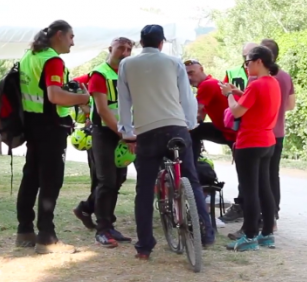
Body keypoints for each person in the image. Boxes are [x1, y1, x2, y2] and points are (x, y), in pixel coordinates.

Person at [118, 24, 216, 260]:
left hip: (147, 131)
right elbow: (187, 97)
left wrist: (128, 131)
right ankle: (206, 234)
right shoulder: (174, 62)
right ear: (162, 43)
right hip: (176, 127)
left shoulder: (126, 64)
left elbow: (124, 100)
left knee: (144, 188)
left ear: (141, 42)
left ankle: (144, 246)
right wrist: (191, 123)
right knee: (191, 180)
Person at [15, 20, 91, 255]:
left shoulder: (31, 55)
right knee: (50, 180)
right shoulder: (53, 60)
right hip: (51, 126)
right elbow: (55, 95)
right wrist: (82, 98)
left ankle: (25, 230)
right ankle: (47, 238)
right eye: (71, 37)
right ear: (59, 35)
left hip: (33, 123)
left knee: (31, 177)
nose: (73, 42)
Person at [219, 45, 281, 251]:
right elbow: (255, 101)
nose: (246, 66)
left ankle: (250, 235)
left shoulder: (255, 85)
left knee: (249, 190)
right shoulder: (272, 83)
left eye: (247, 62)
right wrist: (238, 92)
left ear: (259, 62)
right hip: (268, 141)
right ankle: (267, 234)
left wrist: (229, 94)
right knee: (265, 188)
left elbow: (236, 111)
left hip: (250, 142)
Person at [86, 37, 134, 248]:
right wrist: (123, 133)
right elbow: (103, 110)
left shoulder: (128, 74)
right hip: (105, 132)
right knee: (106, 180)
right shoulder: (100, 74)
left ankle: (103, 220)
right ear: (110, 49)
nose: (125, 53)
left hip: (123, 132)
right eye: (121, 48)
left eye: (129, 49)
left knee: (118, 178)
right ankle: (103, 229)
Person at [219, 41, 259, 223]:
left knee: (255, 176)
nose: (247, 60)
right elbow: (223, 92)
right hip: (236, 126)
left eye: (250, 56)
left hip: (253, 128)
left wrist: (234, 96)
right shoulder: (233, 72)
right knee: (245, 173)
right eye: (245, 56)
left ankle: (254, 217)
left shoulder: (264, 77)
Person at [261, 39, 296, 221]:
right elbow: (291, 104)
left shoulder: (258, 77)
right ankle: (274, 212)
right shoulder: (286, 76)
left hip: (261, 132)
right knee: (274, 173)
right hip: (279, 131)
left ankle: (262, 215)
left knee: (260, 175)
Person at [184, 59, 236, 163]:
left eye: (191, 73)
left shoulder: (207, 85)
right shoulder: (213, 82)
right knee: (196, 130)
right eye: (186, 75)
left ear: (201, 69)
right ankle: (193, 166)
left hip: (231, 132)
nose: (189, 78)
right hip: (230, 130)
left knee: (193, 132)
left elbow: (195, 111)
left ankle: (191, 167)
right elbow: (200, 116)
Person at [71, 72, 99, 230]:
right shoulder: (96, 75)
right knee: (102, 179)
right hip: (96, 131)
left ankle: (94, 210)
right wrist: (87, 107)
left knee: (112, 178)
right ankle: (87, 209)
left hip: (112, 130)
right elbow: (72, 84)